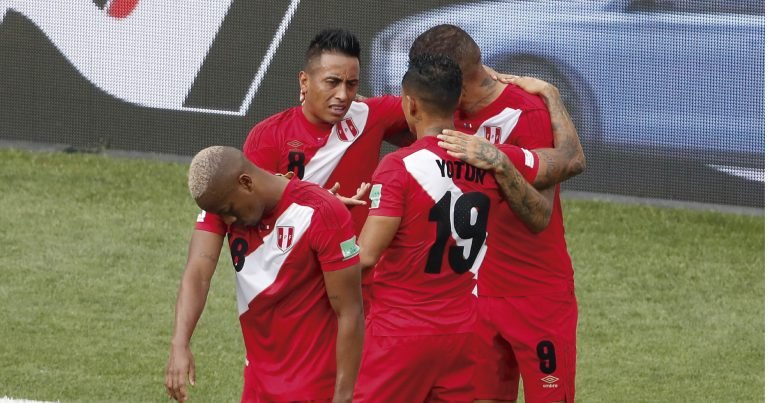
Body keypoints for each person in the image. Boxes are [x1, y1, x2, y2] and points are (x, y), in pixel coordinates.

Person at [353, 53, 547, 402]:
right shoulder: (487, 160)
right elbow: (539, 214)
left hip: (399, 335)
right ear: (457, 101)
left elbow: (365, 256)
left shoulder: (398, 167)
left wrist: (327, 234)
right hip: (464, 335)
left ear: (409, 104)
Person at [411, 24, 581, 403]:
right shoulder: (440, 115)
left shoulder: (526, 112)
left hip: (537, 299)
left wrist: (499, 163)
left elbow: (539, 217)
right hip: (472, 297)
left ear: (459, 79)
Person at [165, 146, 364, 402]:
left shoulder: (320, 212)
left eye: (229, 209)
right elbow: (197, 274)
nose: (226, 220)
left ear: (246, 182)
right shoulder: (222, 200)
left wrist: (344, 397)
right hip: (257, 386)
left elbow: (350, 312)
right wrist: (179, 343)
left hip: (313, 388)